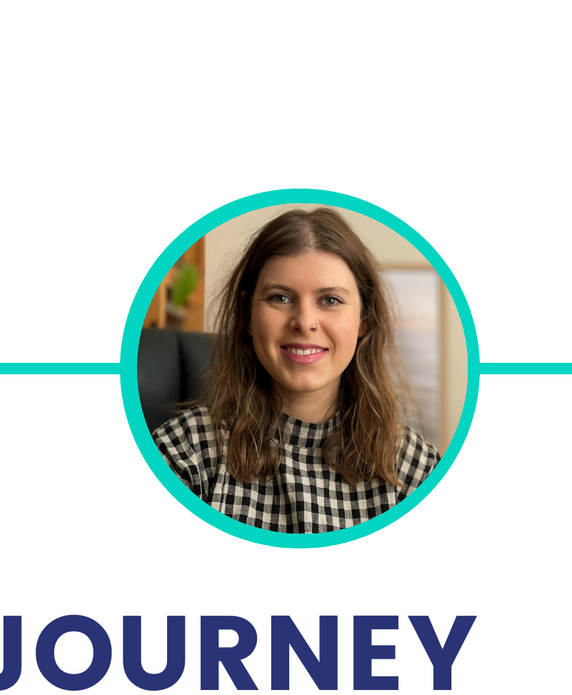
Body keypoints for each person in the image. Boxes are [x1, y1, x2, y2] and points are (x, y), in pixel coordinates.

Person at [151, 207, 439, 533]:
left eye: (330, 300)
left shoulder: (418, 471)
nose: (304, 322)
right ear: (247, 315)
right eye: (280, 297)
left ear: (364, 320)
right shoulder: (183, 453)